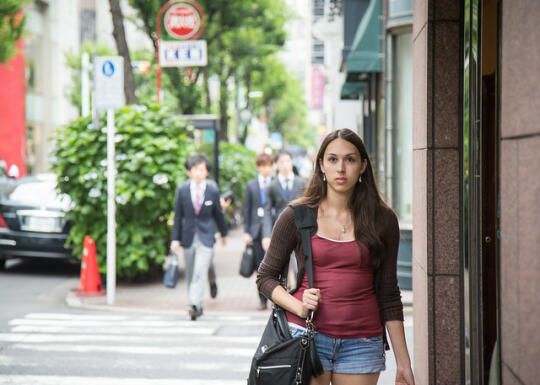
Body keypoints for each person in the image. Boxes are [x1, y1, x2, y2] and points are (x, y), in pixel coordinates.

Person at [256, 129, 415, 385]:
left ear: (363, 166)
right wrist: (298, 305)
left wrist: (404, 363)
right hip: (307, 338)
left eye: (350, 160)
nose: (341, 168)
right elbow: (265, 277)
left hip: (362, 343)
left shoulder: (383, 220)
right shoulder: (296, 216)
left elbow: (389, 293)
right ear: (321, 165)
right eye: (332, 159)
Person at [171, 154, 228, 321]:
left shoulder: (212, 189)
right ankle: (196, 304)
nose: (198, 172)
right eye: (195, 169)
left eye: (201, 169)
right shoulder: (182, 189)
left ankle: (194, 304)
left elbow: (218, 214)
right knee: (190, 272)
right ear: (189, 172)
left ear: (206, 172)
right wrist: (175, 239)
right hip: (188, 236)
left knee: (200, 270)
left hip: (206, 236)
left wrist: (223, 233)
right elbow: (177, 216)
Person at [243, 153, 274, 310]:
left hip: (273, 229)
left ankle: (276, 298)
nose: (266, 169)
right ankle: (262, 300)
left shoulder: (275, 183)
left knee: (275, 265)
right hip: (255, 231)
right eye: (263, 166)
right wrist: (246, 232)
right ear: (258, 167)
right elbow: (246, 209)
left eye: (269, 165)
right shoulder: (251, 185)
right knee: (259, 267)